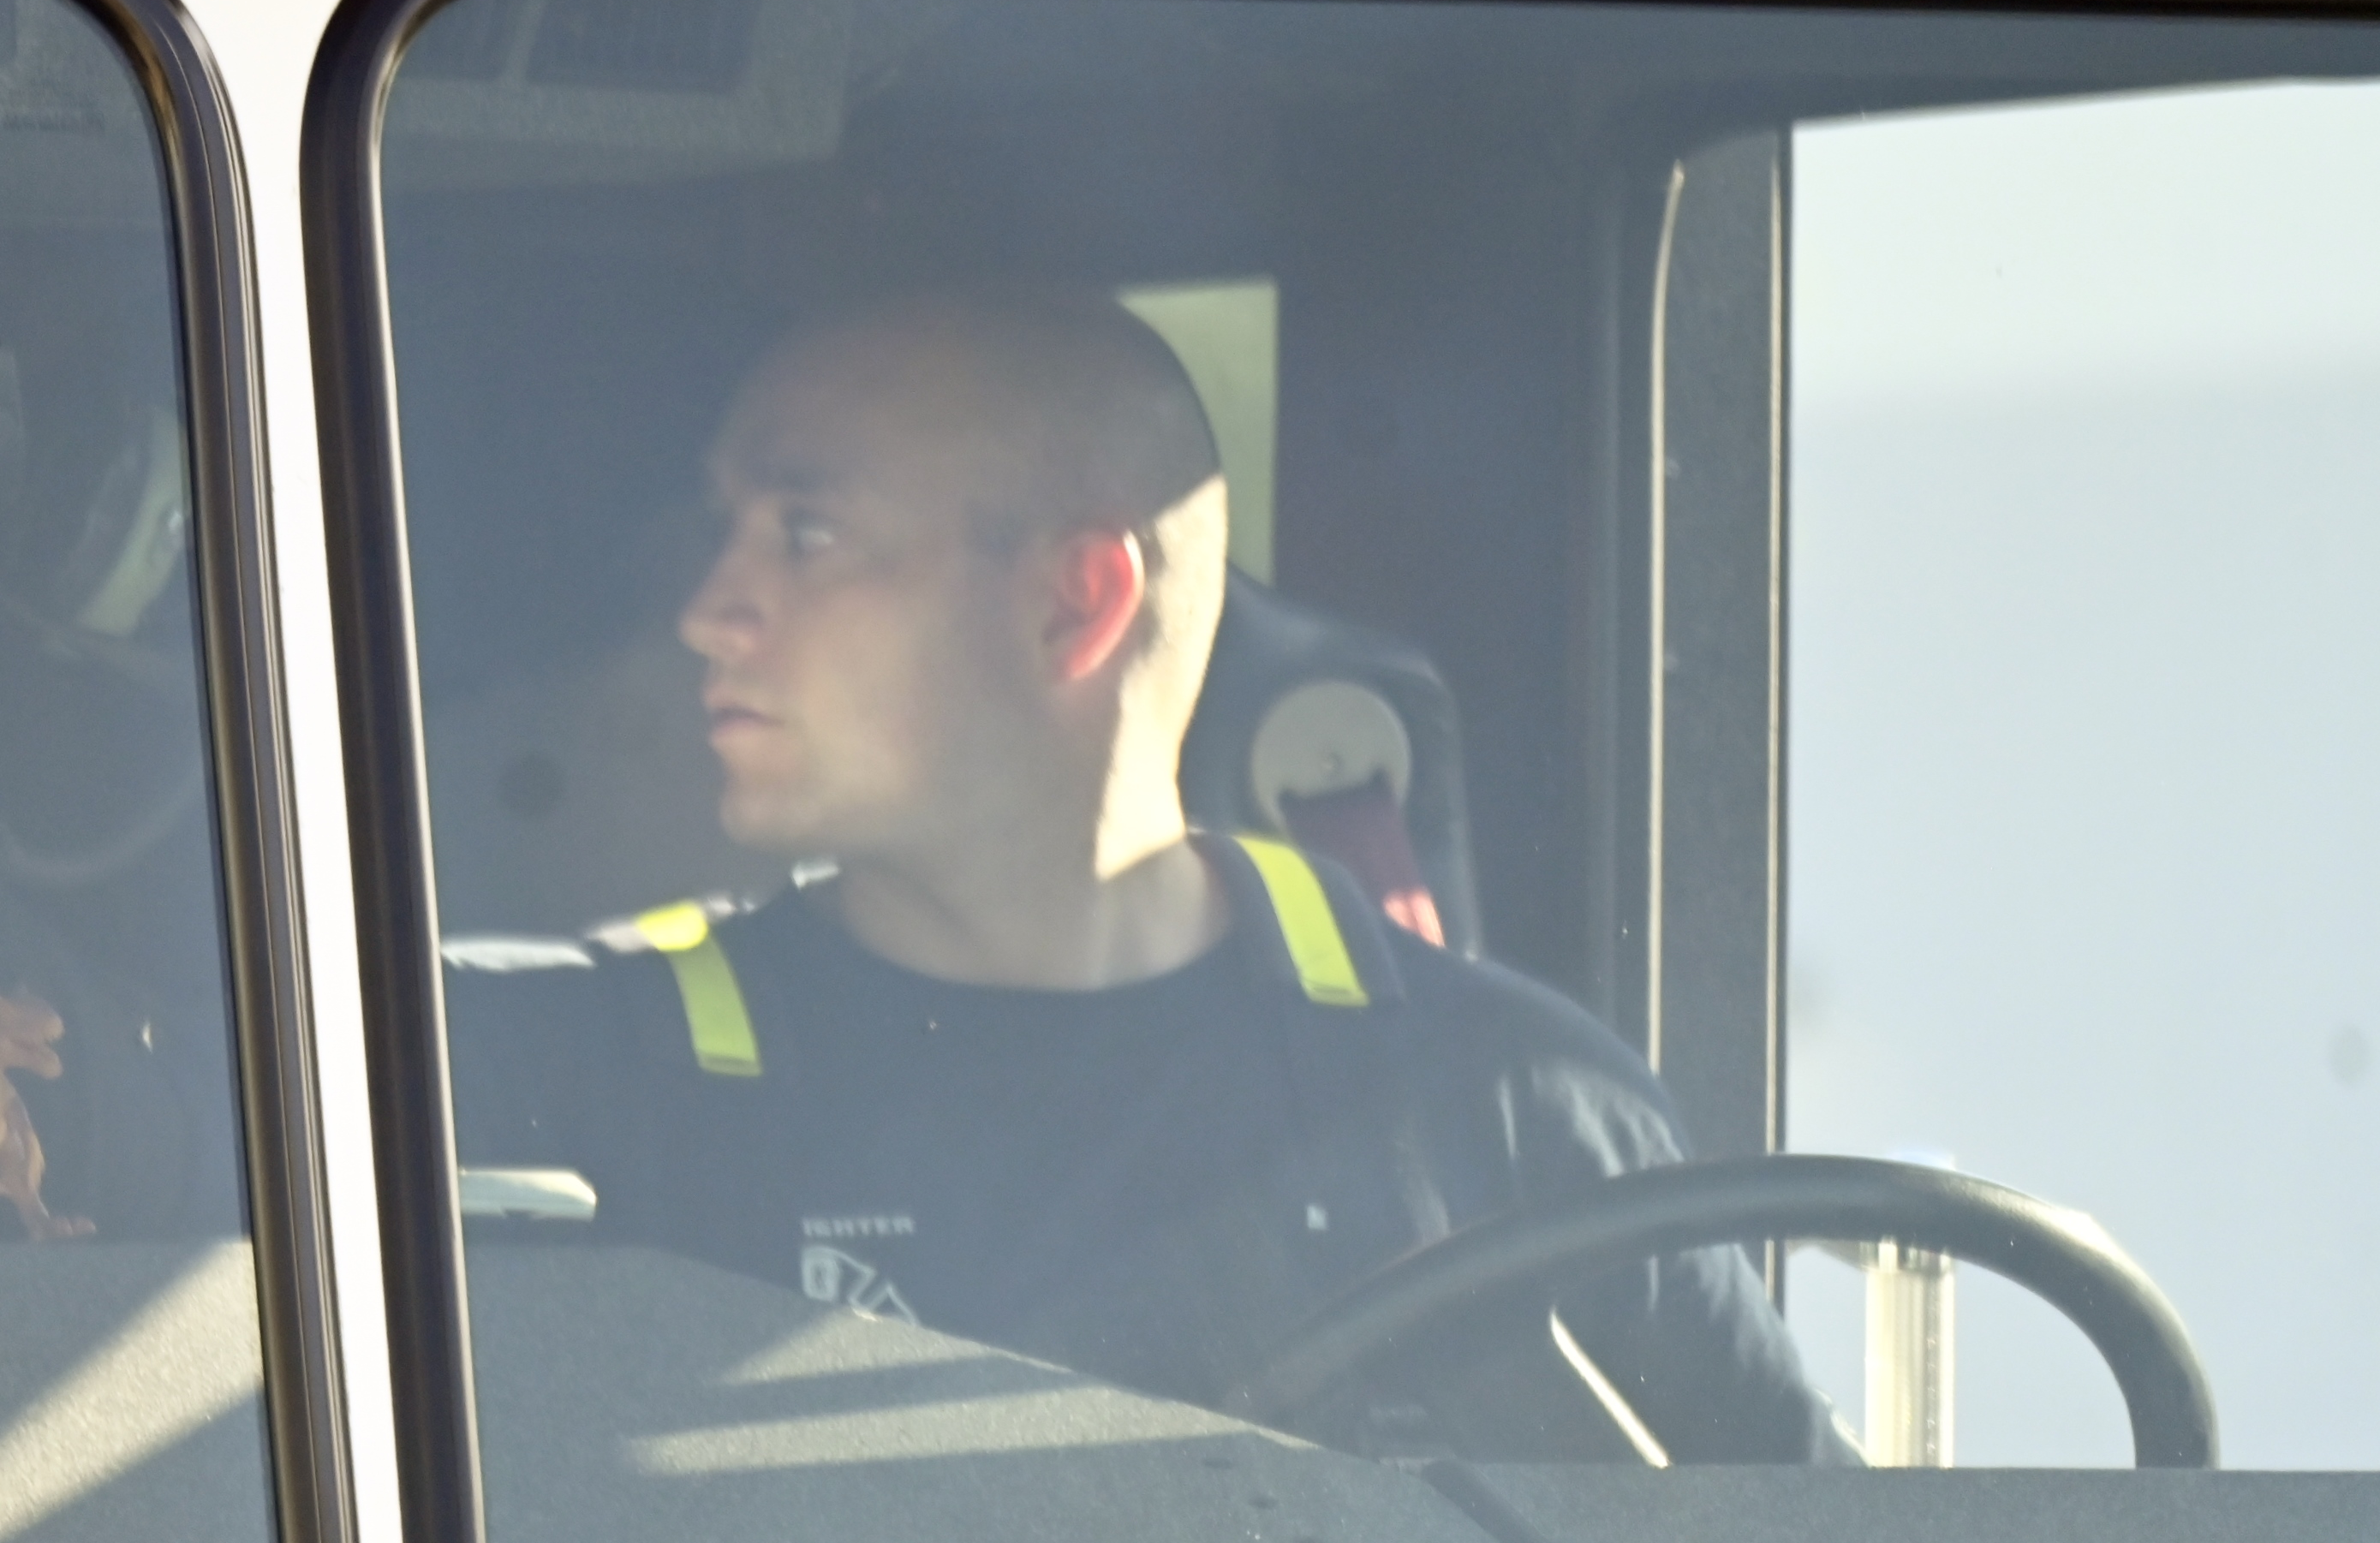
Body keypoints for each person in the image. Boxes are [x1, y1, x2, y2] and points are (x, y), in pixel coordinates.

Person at [444, 289, 1849, 1463]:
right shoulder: (538, 1091)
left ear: (1077, 601)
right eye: (725, 529)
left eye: (805, 534)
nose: (709, 611)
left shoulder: (1507, 1115)